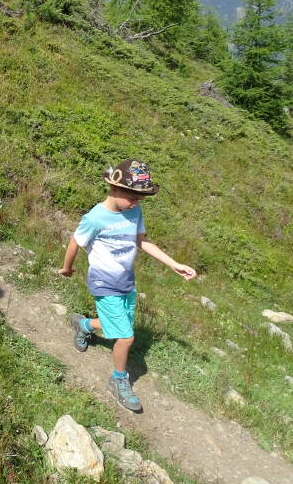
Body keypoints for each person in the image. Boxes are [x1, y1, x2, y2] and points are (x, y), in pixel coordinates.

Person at [59, 159, 196, 411]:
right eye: (132, 197)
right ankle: (118, 379)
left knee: (119, 324)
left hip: (126, 280)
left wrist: (173, 264)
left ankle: (84, 325)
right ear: (114, 188)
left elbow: (141, 240)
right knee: (126, 336)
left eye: (140, 199)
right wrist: (67, 268)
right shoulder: (95, 218)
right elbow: (75, 241)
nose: (136, 203)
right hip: (104, 282)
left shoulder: (134, 211)